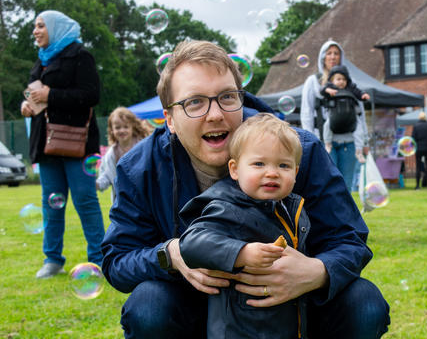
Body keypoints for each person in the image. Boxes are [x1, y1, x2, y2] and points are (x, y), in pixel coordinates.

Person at [101, 40, 389, 339]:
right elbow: (116, 259)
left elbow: (349, 239)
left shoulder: (300, 150)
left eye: (227, 96)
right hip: (198, 310)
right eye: (194, 102)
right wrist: (170, 254)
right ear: (170, 119)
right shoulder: (140, 168)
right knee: (148, 305)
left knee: (364, 302)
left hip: (294, 309)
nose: (215, 114)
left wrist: (318, 272)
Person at [179, 113, 310, 338]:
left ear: (295, 173)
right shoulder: (227, 208)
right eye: (259, 163)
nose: (272, 172)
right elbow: (191, 243)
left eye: (283, 165)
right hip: (239, 330)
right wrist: (241, 253)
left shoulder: (291, 208)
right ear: (235, 169)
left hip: (282, 324)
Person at [20, 10, 104, 278]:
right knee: (50, 203)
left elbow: (91, 95)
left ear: (56, 28)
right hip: (47, 145)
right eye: (35, 26)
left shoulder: (80, 55)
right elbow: (38, 96)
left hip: (77, 143)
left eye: (41, 26)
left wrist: (51, 94)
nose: (35, 31)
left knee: (85, 201)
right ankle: (52, 259)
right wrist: (28, 105)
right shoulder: (41, 61)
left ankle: (100, 259)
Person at [300, 40, 367, 188]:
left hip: (349, 141)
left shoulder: (350, 83)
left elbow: (360, 113)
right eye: (329, 53)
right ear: (322, 57)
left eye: (336, 53)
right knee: (327, 184)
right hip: (323, 141)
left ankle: (345, 212)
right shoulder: (314, 82)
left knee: (346, 185)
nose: (332, 57)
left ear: (341, 57)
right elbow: (307, 113)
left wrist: (364, 141)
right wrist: (308, 141)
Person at [96, 107, 149, 202]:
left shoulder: (144, 146)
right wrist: (97, 184)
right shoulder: (111, 154)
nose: (122, 130)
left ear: (132, 126)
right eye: (117, 127)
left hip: (145, 196)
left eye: (125, 126)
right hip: (123, 200)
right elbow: (107, 176)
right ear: (112, 130)